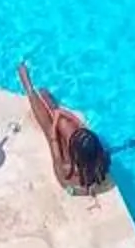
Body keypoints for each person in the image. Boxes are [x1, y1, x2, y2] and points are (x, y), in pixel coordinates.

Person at [18, 62, 111, 193]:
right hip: (84, 177)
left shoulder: (65, 167)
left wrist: (56, 119)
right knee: (63, 122)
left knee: (50, 126)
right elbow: (81, 126)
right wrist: (62, 113)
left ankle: (28, 87)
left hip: (69, 185)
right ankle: (52, 106)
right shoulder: (103, 160)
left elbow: (52, 138)